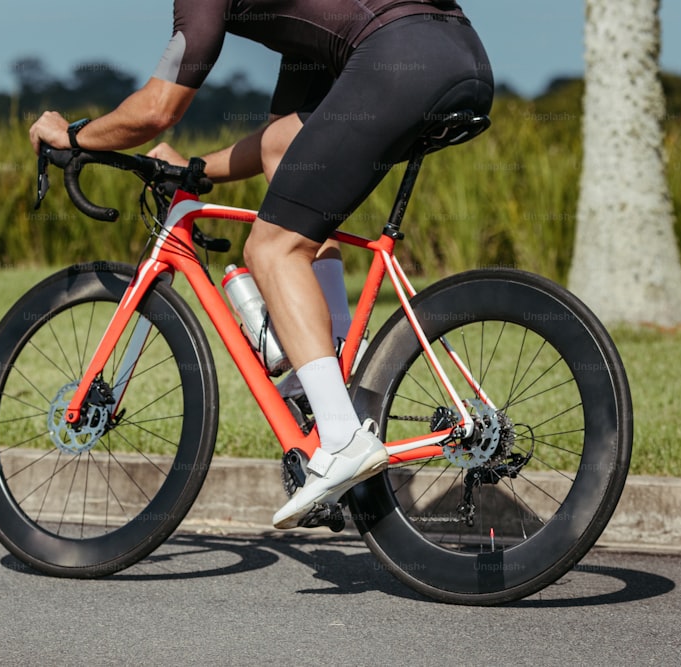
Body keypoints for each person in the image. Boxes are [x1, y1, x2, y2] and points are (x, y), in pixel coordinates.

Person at [29, 0, 494, 529]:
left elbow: (158, 108)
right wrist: (198, 168)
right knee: (297, 199)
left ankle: (340, 438)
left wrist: (72, 136)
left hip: (397, 57)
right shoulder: (309, 29)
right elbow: (283, 144)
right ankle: (339, 369)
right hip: (459, 57)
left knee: (271, 249)